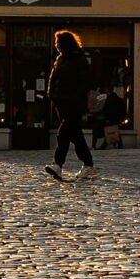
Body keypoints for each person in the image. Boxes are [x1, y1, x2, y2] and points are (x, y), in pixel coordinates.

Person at [43, 31, 96, 182]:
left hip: (74, 104)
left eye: (58, 42)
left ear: (66, 43)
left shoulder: (79, 60)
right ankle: (88, 165)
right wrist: (52, 96)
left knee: (63, 134)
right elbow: (53, 80)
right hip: (61, 104)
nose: (56, 45)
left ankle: (57, 165)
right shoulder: (60, 60)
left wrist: (74, 98)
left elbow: (85, 83)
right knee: (75, 135)